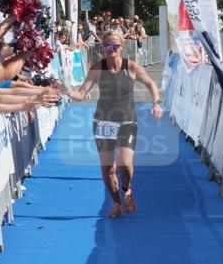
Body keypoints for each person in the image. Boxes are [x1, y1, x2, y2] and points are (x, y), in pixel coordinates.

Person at [57, 30, 162, 219]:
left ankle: (127, 189)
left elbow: (150, 83)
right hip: (103, 121)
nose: (111, 50)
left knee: (125, 164)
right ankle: (116, 203)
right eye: (107, 46)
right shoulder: (98, 68)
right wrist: (67, 92)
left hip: (127, 120)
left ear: (122, 47)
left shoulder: (130, 67)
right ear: (103, 48)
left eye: (115, 46)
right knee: (108, 168)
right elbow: (81, 95)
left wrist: (156, 103)